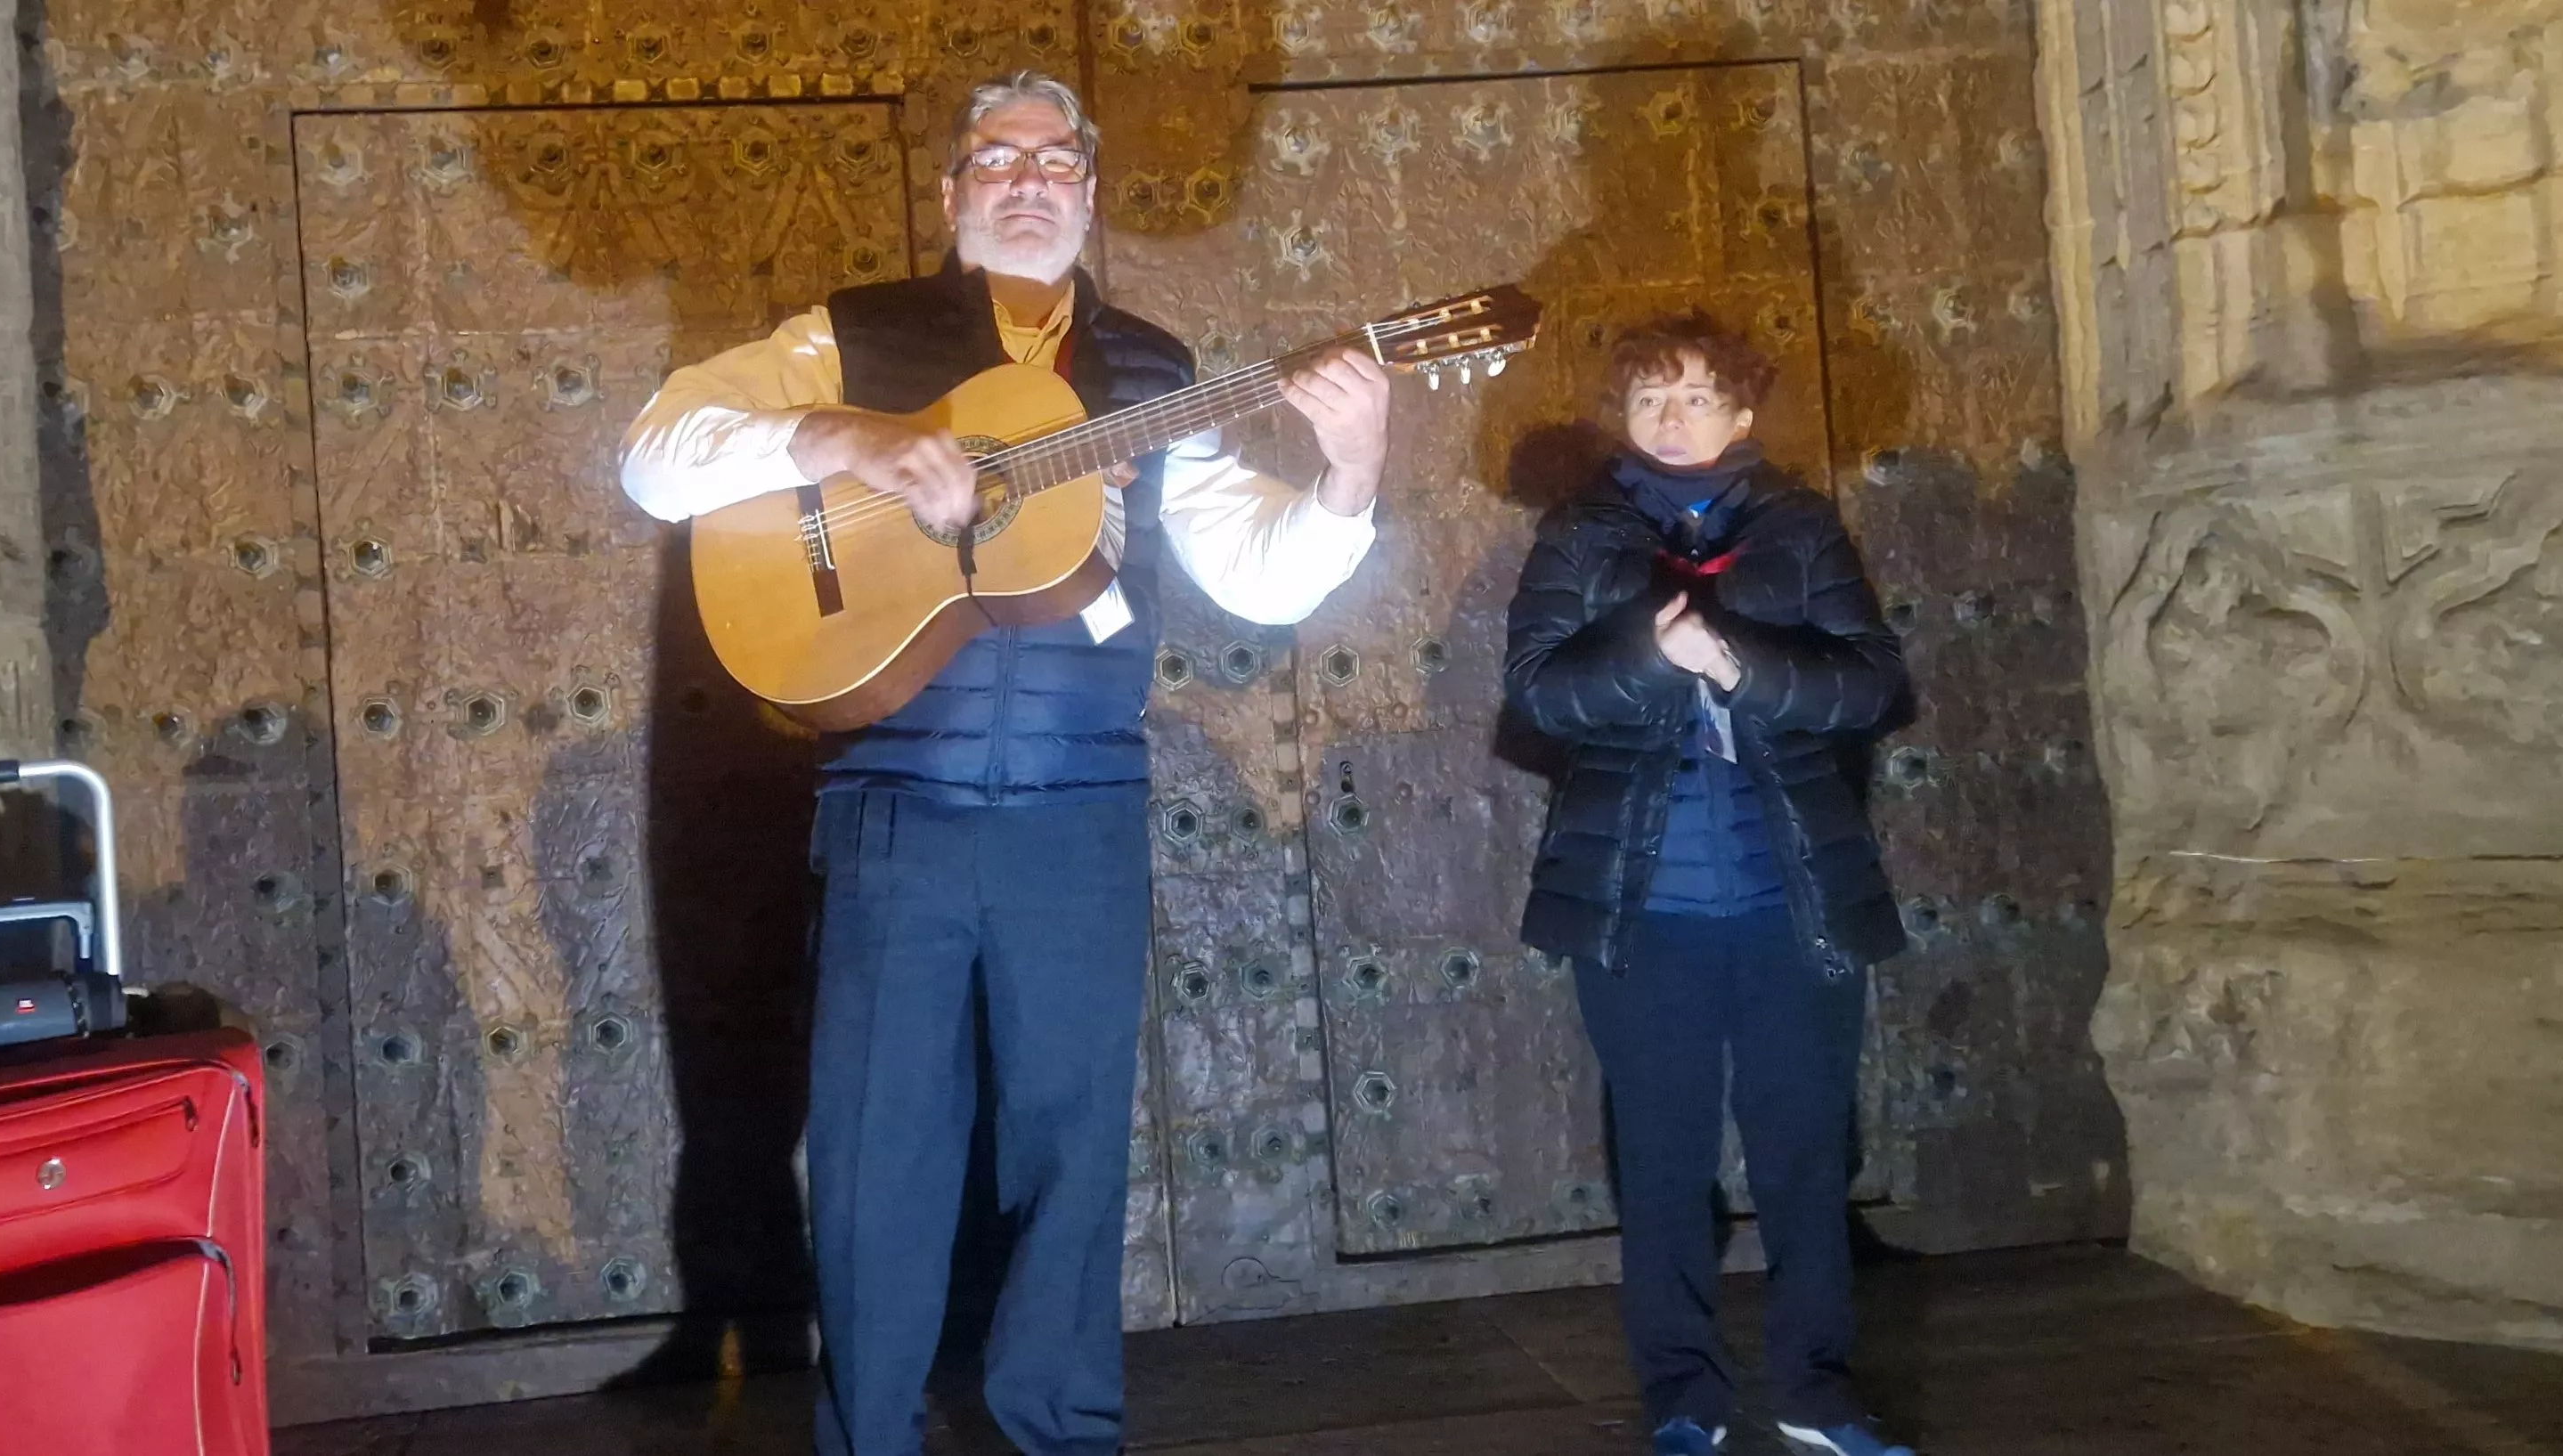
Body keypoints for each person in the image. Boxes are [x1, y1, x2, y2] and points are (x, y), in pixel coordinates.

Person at [617, 70, 1395, 1456]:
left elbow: (1260, 576)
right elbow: (658, 456)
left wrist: (1349, 468)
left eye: (1054, 158)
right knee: (874, 1161)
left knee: (1073, 1148)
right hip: (892, 809)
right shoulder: (849, 335)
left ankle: (1061, 1430)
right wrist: (844, 434)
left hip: (1078, 809)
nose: (1026, 177)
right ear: (951, 191)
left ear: (1089, 191)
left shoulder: (1158, 374)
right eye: (995, 157)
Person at [1498, 313, 1916, 1456]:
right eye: (1646, 399)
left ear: (1738, 415)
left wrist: (1732, 663)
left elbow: (1871, 684)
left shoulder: (1796, 527)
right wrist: (1649, 652)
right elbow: (1536, 691)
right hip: (1642, 907)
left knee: (1802, 1152)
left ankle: (1815, 1389)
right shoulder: (1580, 534)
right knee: (1663, 1158)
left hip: (1791, 895)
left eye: (1692, 397)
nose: (1668, 418)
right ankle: (1682, 1394)